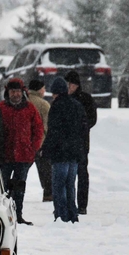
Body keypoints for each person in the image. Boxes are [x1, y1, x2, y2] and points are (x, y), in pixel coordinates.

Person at [0, 78, 44, 225]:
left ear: (22, 92)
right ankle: (2, 216)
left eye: (17, 91)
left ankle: (18, 215)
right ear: (7, 93)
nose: (15, 94)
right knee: (2, 187)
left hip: (24, 156)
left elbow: (38, 130)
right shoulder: (0, 108)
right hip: (5, 156)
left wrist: (33, 148)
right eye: (12, 91)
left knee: (19, 188)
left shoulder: (30, 108)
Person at [39, 77, 87, 223]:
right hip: (74, 153)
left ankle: (61, 215)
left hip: (60, 153)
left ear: (55, 92)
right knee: (70, 185)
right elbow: (83, 128)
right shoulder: (77, 105)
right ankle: (73, 214)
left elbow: (53, 131)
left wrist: (45, 149)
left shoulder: (56, 106)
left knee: (59, 187)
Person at [65, 70, 96, 215]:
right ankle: (68, 203)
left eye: (70, 84)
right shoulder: (63, 99)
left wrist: (80, 128)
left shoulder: (86, 99)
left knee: (82, 173)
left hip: (81, 142)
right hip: (66, 143)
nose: (68, 87)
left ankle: (82, 204)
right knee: (67, 174)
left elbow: (92, 119)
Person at [27, 79, 52, 202]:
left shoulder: (25, 101)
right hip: (40, 143)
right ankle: (48, 195)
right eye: (43, 88)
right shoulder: (43, 104)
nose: (45, 91)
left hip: (24, 143)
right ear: (39, 89)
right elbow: (47, 125)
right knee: (45, 171)